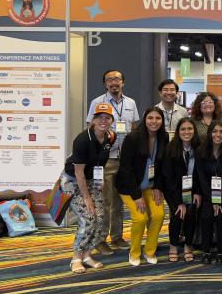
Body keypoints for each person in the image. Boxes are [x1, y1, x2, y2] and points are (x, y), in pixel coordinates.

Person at [86, 70, 140, 254]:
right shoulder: (97, 102)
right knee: (104, 202)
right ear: (105, 84)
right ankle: (100, 240)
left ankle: (117, 237)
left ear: (123, 82)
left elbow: (133, 129)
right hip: (105, 160)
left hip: (124, 160)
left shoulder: (131, 102)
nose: (113, 82)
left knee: (119, 202)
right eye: (109, 79)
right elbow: (90, 130)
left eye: (117, 79)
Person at [61, 103, 116, 273]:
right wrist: (87, 198)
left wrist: (100, 182)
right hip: (73, 181)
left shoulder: (110, 137)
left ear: (111, 120)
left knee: (100, 219)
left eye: (107, 118)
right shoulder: (83, 139)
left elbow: (100, 163)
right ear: (93, 120)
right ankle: (76, 257)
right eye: (99, 117)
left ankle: (87, 254)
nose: (103, 121)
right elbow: (79, 173)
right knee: (88, 218)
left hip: (92, 180)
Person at [115, 107, 168, 266]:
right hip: (130, 187)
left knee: (158, 215)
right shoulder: (133, 138)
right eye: (150, 118)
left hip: (151, 186)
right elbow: (126, 169)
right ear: (144, 120)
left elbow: (162, 165)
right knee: (140, 218)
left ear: (162, 121)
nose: (154, 122)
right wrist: (137, 196)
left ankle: (150, 251)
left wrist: (158, 186)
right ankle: (135, 252)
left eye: (157, 118)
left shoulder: (164, 137)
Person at [160, 117, 201, 262]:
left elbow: (200, 173)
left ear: (194, 131)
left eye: (189, 129)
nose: (186, 132)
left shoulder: (198, 147)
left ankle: (188, 246)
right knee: (178, 214)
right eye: (183, 129)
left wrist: (197, 192)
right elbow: (169, 177)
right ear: (178, 132)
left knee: (190, 214)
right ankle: (173, 245)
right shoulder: (171, 149)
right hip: (173, 190)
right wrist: (179, 202)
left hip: (191, 189)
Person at [196, 120, 222, 265]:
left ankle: (221, 251)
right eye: (215, 131)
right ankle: (206, 250)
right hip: (207, 193)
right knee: (206, 216)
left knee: (220, 217)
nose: (218, 135)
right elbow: (201, 178)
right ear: (209, 134)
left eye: (221, 132)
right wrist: (212, 200)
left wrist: (219, 201)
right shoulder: (201, 151)